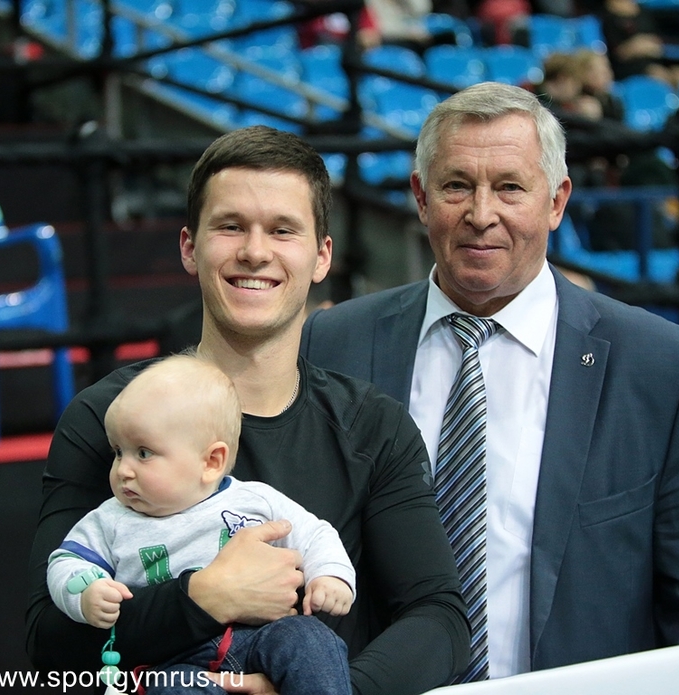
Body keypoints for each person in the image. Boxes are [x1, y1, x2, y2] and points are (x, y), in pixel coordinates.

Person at [301, 81, 679, 680]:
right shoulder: (334, 344)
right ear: (421, 197)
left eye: (510, 187)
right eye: (457, 185)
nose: (481, 214)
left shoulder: (662, 368)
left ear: (557, 201)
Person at [26, 125, 470, 695]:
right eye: (231, 226)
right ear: (190, 247)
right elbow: (48, 647)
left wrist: (316, 686)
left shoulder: (373, 427)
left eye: (282, 230)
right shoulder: (108, 419)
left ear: (321, 256)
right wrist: (202, 598)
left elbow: (438, 620)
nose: (255, 252)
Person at [47, 354, 355, 695]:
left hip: (259, 639)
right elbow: (66, 562)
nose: (123, 470)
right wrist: (86, 593)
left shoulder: (255, 500)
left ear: (211, 462)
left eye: (144, 453)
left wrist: (330, 575)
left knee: (308, 639)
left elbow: (314, 534)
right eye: (118, 451)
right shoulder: (112, 519)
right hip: (170, 657)